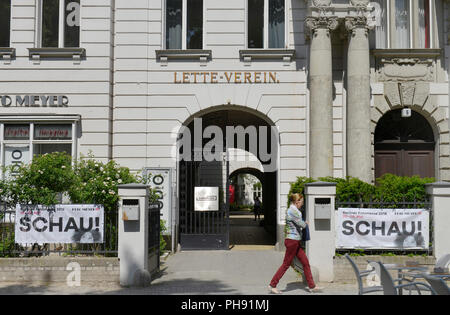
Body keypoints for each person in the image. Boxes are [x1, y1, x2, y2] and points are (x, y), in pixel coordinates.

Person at [268, 193, 322, 294]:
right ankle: (272, 285)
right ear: (297, 202)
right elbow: (301, 224)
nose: (302, 204)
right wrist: (305, 223)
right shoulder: (293, 211)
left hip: (295, 241)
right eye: (301, 202)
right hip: (292, 241)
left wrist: (303, 223)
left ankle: (312, 286)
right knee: (286, 264)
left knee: (305, 262)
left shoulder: (294, 210)